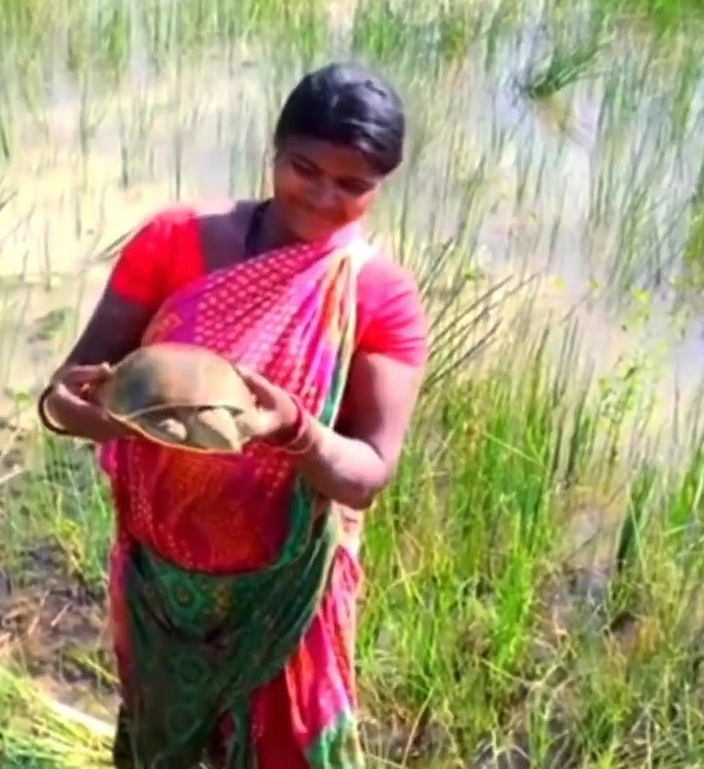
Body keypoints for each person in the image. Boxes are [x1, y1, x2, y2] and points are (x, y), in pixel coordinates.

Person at [36, 61, 429, 769]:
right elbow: (65, 396)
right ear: (273, 150)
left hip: (287, 585)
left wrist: (295, 430)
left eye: (353, 185)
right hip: (164, 576)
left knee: (287, 751)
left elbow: (367, 475)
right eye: (304, 168)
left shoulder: (376, 298)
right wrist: (88, 410)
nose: (323, 196)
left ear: (380, 187)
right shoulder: (174, 242)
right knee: (162, 743)